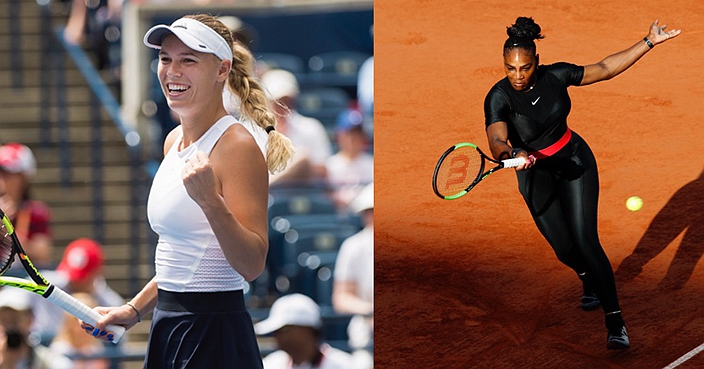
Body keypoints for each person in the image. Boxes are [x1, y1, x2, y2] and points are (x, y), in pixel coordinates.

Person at [84, 14, 295, 368]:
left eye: (188, 60)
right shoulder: (173, 142)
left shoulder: (237, 147)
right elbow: (181, 258)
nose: (172, 70)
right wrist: (134, 310)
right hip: (167, 324)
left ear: (221, 69)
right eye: (165, 59)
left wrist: (211, 202)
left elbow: (252, 264)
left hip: (214, 332)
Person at [483, 16, 680, 350]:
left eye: (525, 68)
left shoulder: (556, 76)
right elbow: (496, 138)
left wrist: (648, 42)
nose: (517, 75)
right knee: (564, 249)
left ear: (537, 62)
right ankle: (587, 280)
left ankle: (615, 323)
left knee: (587, 242)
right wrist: (512, 152)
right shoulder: (498, 97)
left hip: (574, 162)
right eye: (510, 68)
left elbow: (604, 68)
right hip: (534, 175)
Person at [31, 238, 124, 344]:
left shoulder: (112, 304)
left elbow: (120, 344)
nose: (75, 281)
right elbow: (13, 297)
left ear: (97, 272)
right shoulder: (47, 283)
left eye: (82, 277)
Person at [261, 69, 333, 187]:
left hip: (304, 190)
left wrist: (297, 167)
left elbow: (323, 170)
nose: (283, 106)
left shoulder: (311, 127)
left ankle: (268, 186)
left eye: (288, 101)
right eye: (278, 102)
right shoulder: (251, 129)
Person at [332, 183, 373, 368]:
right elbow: (341, 297)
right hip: (366, 328)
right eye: (370, 211)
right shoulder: (353, 246)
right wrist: (372, 310)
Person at [254, 293, 355, 369]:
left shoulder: (344, 365)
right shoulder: (272, 364)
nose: (277, 336)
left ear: (306, 330)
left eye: (284, 330)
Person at [0, 143, 54, 272]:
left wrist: (5, 230)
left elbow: (43, 255)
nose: (1, 179)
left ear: (24, 177)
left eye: (8, 174)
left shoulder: (37, 212)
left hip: (21, 282)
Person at [0, 287, 73, 369]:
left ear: (30, 320)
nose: (10, 327)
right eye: (3, 320)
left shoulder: (52, 362)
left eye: (15, 319)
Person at [325, 108, 374, 210]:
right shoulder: (329, 165)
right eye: (349, 134)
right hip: (338, 215)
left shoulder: (372, 164)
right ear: (339, 136)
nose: (353, 139)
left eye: (357, 134)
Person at [50, 292, 110, 369]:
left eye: (90, 322)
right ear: (68, 323)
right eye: (76, 321)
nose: (84, 327)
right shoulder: (59, 350)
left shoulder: (97, 350)